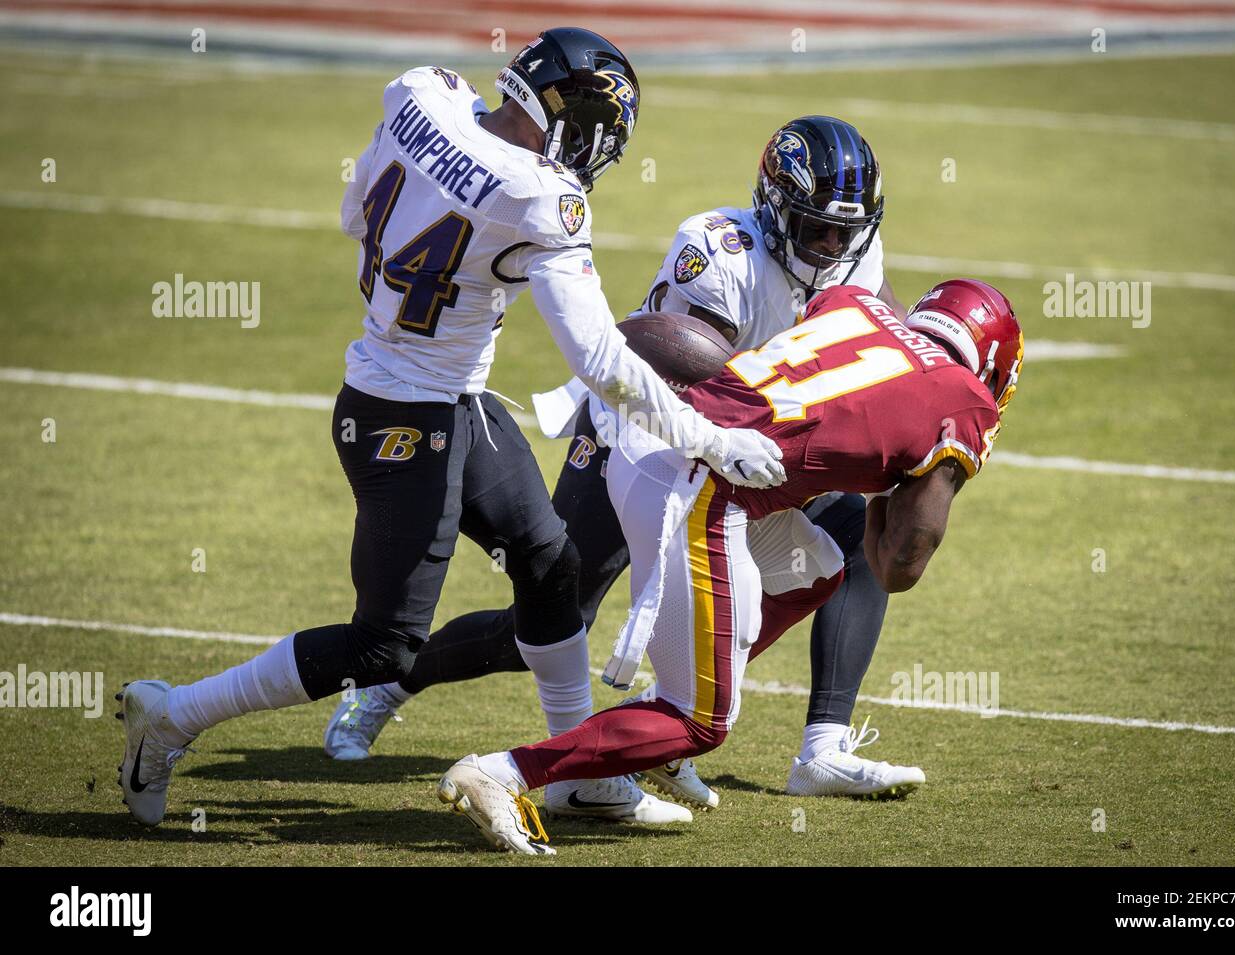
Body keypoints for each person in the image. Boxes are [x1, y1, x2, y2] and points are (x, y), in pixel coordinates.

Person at [115, 27, 787, 828]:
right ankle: (174, 716)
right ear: (569, 116)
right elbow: (603, 356)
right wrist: (711, 439)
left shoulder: (422, 94)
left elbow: (351, 213)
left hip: (449, 398)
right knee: (381, 646)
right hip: (399, 417)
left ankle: (578, 771)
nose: (600, 155)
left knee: (550, 563)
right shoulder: (543, 195)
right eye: (601, 133)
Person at [325, 116, 927, 804]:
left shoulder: (859, 257)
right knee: (556, 618)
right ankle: (392, 683)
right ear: (772, 203)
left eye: (843, 232)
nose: (831, 247)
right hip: (646, 436)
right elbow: (699, 386)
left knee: (857, 535)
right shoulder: (720, 251)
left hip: (750, 445)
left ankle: (817, 746)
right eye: (815, 227)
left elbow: (875, 337)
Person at [436, 278, 1024, 854]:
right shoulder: (964, 402)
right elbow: (900, 565)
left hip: (668, 448)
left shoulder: (854, 302)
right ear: (993, 366)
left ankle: (634, 741)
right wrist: (889, 493)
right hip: (701, 485)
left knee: (815, 572)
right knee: (700, 724)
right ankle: (504, 772)